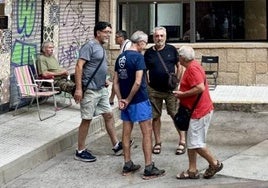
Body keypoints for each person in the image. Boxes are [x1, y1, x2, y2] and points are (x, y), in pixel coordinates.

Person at [113, 30, 165, 179]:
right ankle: (149, 167)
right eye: (145, 43)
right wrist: (128, 99)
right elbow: (138, 81)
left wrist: (121, 99)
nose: (145, 45)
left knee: (126, 132)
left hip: (125, 100)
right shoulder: (138, 58)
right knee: (146, 132)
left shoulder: (120, 57)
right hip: (139, 99)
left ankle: (127, 163)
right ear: (140, 42)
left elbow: (115, 82)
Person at [73, 21, 125, 162]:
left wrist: (105, 79)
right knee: (87, 119)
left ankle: (116, 145)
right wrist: (78, 89)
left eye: (109, 32)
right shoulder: (89, 46)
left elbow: (96, 67)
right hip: (89, 90)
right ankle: (80, 150)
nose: (109, 35)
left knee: (108, 115)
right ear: (98, 32)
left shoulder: (101, 47)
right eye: (106, 32)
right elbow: (79, 66)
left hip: (101, 88)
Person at [173, 46, 223, 179]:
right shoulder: (194, 65)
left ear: (182, 58)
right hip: (196, 111)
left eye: (179, 56)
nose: (178, 58)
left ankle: (214, 163)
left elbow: (200, 87)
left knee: (197, 143)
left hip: (198, 112)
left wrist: (183, 94)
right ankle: (192, 170)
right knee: (192, 140)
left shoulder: (193, 69)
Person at [144, 26, 186, 155]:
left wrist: (177, 82)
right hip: (154, 90)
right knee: (155, 117)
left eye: (161, 36)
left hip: (170, 90)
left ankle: (182, 141)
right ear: (153, 37)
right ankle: (157, 142)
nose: (159, 38)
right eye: (157, 36)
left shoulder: (172, 50)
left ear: (165, 37)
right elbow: (145, 70)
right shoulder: (149, 52)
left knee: (175, 115)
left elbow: (180, 66)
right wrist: (147, 84)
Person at [109, 30, 132, 105]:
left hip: (125, 69)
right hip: (121, 68)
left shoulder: (128, 45)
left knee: (116, 82)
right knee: (115, 82)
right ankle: (111, 99)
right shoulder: (123, 45)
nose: (115, 39)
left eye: (116, 37)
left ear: (122, 38)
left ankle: (114, 99)